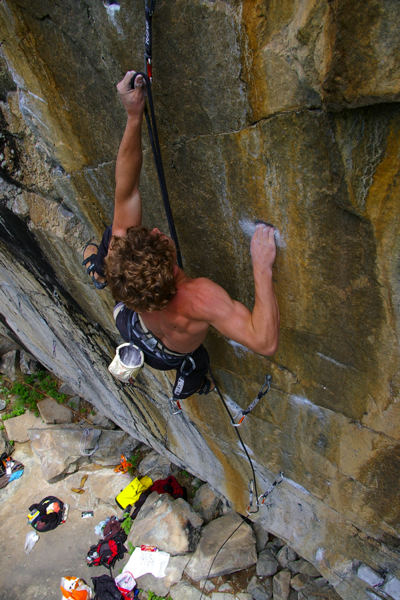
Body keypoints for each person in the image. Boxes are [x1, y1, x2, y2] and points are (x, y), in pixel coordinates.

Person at [83, 70, 279, 402]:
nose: (158, 230)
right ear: (173, 268)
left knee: (108, 236)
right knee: (196, 361)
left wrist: (133, 115)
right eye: (160, 239)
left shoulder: (121, 248)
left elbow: (126, 188)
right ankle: (194, 384)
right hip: (169, 355)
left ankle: (98, 269)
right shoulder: (199, 298)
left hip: (129, 323)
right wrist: (262, 268)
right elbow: (264, 342)